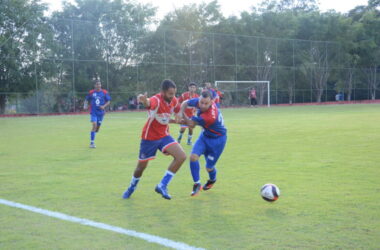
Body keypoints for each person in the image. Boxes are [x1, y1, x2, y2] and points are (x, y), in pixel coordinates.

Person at [122, 79, 187, 200]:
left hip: (164, 135)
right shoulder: (156, 99)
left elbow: (178, 109)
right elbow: (148, 103)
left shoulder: (173, 100)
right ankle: (131, 187)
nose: (173, 96)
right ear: (162, 92)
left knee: (181, 156)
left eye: (174, 93)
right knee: (141, 167)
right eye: (170, 94)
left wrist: (180, 116)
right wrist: (144, 100)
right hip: (149, 138)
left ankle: (162, 185)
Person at [179, 90, 227, 196]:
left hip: (218, 141)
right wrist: (181, 113)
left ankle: (212, 180)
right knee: (193, 157)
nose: (203, 105)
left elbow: (191, 124)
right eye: (201, 102)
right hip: (204, 136)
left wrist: (183, 118)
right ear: (199, 99)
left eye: (206, 103)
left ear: (211, 103)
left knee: (209, 167)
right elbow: (184, 103)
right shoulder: (199, 101)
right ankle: (197, 184)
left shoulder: (210, 116)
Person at [84, 79, 111, 148]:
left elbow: (108, 101)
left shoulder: (104, 92)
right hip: (93, 112)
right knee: (94, 125)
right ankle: (92, 143)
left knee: (97, 128)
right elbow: (86, 99)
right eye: (97, 84)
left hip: (101, 113)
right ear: (95, 85)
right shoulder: (91, 92)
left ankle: (93, 133)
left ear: (100, 85)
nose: (98, 85)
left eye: (99, 84)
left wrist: (103, 106)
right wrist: (85, 105)